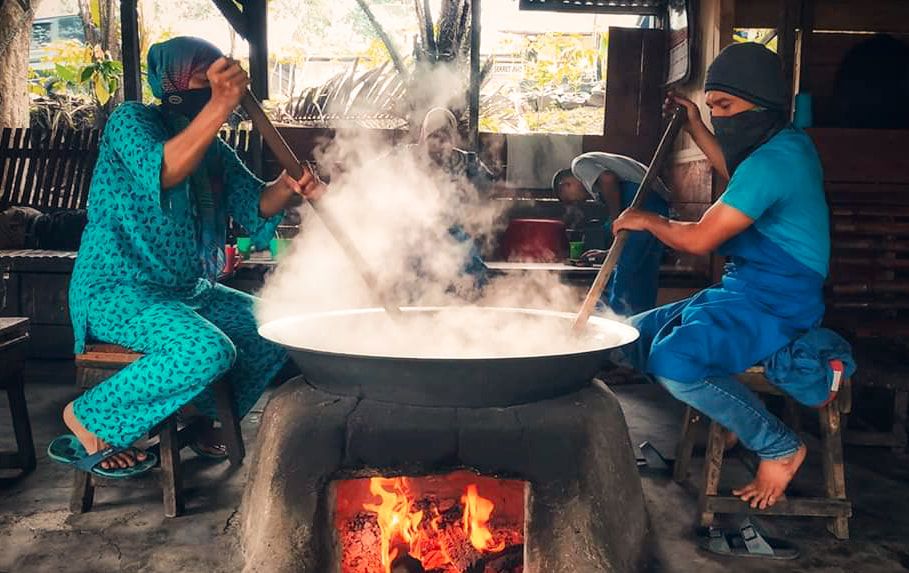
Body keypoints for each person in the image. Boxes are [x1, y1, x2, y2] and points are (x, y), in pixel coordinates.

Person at [49, 37, 325, 477]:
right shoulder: (131, 121)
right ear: (171, 82)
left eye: (217, 79)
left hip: (184, 290)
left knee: (275, 329)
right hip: (119, 289)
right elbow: (165, 169)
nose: (213, 88)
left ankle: (195, 418)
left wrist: (287, 188)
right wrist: (221, 103)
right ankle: (90, 417)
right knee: (206, 351)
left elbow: (254, 204)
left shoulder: (213, 150)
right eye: (202, 79)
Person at [612, 42, 832, 509]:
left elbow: (698, 239)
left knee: (674, 360)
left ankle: (779, 445)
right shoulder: (779, 145)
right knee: (629, 336)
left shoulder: (776, 161)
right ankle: (732, 417)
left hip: (779, 302)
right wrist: (693, 121)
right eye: (713, 109)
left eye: (726, 106)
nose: (721, 118)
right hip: (744, 289)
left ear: (764, 101)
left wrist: (647, 219)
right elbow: (735, 169)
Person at [552, 152, 669, 315]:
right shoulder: (598, 173)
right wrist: (609, 253)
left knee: (626, 273)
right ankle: (639, 323)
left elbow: (608, 179)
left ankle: (617, 324)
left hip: (642, 202)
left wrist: (616, 221)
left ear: (566, 185)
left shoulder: (578, 165)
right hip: (658, 205)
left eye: (570, 200)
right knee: (644, 274)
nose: (579, 202)